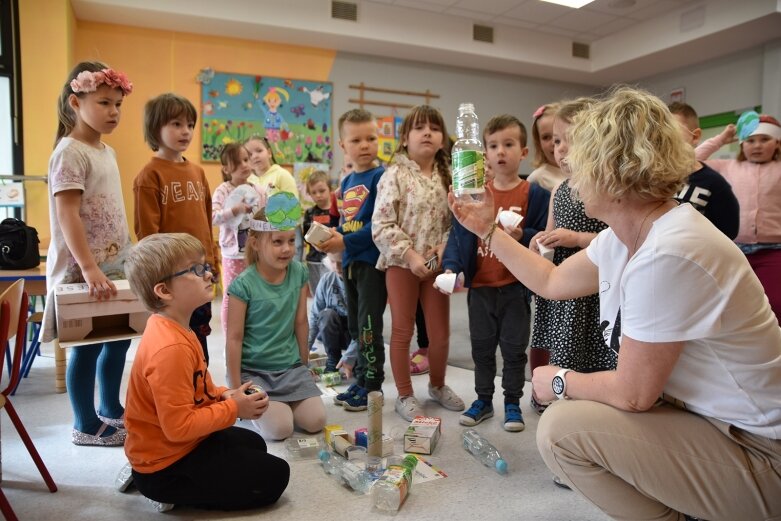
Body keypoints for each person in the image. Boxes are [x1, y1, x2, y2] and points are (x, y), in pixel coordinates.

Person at [449, 85, 781, 521]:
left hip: (759, 449)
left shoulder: (668, 251)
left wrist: (560, 380)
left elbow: (633, 393)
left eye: (579, 157)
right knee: (577, 415)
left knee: (562, 429)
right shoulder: (630, 235)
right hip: (710, 421)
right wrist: (486, 229)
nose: (567, 164)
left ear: (614, 171)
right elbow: (551, 280)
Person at [123, 233, 289, 512]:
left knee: (255, 442)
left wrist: (227, 396)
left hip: (184, 444)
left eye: (205, 266)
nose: (209, 274)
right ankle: (158, 489)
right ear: (164, 291)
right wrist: (234, 408)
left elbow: (200, 392)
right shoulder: (170, 349)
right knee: (275, 477)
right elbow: (178, 428)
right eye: (196, 269)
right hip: (165, 465)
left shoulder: (176, 327)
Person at [41, 61, 134, 446]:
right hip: (85, 273)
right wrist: (90, 267)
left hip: (114, 268)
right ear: (75, 102)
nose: (113, 112)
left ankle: (111, 409)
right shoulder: (70, 152)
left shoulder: (106, 151)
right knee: (87, 344)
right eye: (104, 103)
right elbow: (68, 214)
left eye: (117, 104)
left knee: (120, 338)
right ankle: (84, 423)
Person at [442, 114, 549, 432]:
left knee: (515, 350)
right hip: (482, 288)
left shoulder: (536, 194)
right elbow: (458, 236)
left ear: (524, 152)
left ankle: (513, 402)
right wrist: (452, 268)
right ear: (484, 154)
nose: (501, 151)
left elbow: (544, 236)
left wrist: (523, 237)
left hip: (516, 287)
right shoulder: (474, 194)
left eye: (509, 144)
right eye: (493, 146)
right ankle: (483, 400)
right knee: (482, 348)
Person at [372, 104, 465, 421]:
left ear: (443, 138)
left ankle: (437, 386)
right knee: (401, 330)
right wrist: (410, 256)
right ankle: (405, 394)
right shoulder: (394, 175)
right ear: (405, 137)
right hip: (401, 265)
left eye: (435, 128)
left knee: (439, 334)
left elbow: (459, 219)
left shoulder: (450, 177)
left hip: (438, 265)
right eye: (419, 128)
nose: (427, 132)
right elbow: (382, 224)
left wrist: (443, 248)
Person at [528, 99, 614, 418]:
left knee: (592, 344)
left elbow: (617, 244)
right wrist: (541, 241)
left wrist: (576, 239)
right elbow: (550, 232)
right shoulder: (559, 189)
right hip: (562, 280)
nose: (557, 147)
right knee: (561, 342)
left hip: (592, 286)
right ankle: (557, 393)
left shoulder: (604, 188)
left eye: (566, 140)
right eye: (555, 140)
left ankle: (589, 399)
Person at [225, 194, 326, 441]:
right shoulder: (243, 285)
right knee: (280, 429)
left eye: (291, 241)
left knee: (316, 421)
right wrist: (237, 389)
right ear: (256, 243)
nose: (287, 249)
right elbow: (234, 338)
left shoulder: (299, 273)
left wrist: (303, 366)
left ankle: (283, 402)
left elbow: (301, 322)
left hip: (290, 368)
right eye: (278, 242)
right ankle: (268, 408)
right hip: (256, 371)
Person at [134, 92, 218, 364]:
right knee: (176, 340)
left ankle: (200, 388)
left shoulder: (198, 172)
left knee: (201, 334)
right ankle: (183, 394)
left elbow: (206, 222)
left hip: (200, 271)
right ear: (155, 128)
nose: (186, 131)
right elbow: (148, 236)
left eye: (190, 125)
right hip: (173, 278)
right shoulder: (150, 175)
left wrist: (212, 262)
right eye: (176, 124)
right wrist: (159, 280)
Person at [317, 109, 388, 412]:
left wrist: (344, 239)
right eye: (356, 140)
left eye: (371, 138)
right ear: (343, 146)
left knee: (370, 325)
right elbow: (350, 222)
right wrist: (333, 234)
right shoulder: (345, 183)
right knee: (358, 325)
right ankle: (360, 378)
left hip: (372, 263)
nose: (365, 145)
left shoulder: (381, 176)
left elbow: (379, 225)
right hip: (350, 264)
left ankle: (373, 384)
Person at [695, 113, 781, 321]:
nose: (757, 146)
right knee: (732, 305)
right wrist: (722, 139)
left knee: (775, 304)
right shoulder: (727, 167)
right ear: (742, 144)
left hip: (773, 250)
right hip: (734, 249)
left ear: (777, 143)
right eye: (750, 140)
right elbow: (690, 160)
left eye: (764, 139)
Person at [211, 143, 267, 333]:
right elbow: (212, 217)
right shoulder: (223, 190)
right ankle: (231, 338)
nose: (244, 164)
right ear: (226, 168)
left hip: (256, 253)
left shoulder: (258, 190)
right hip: (233, 254)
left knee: (256, 294)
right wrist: (234, 210)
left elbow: (265, 216)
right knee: (232, 296)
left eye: (246, 159)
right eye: (237, 162)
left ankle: (252, 335)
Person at [667, 102, 739, 239]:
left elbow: (728, 233)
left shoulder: (714, 183)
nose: (664, 139)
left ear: (695, 136)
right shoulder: (652, 180)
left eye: (671, 131)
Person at [307, 253, 358, 374]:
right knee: (326, 314)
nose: (338, 267)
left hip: (356, 333)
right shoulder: (326, 279)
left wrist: (350, 357)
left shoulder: (360, 281)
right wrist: (305, 350)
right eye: (333, 262)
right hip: (334, 332)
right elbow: (315, 316)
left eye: (341, 262)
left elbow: (365, 325)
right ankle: (333, 359)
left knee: (360, 371)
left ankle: (356, 359)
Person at [302, 169, 333, 295]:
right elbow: (306, 236)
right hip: (314, 259)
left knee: (331, 292)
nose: (318, 195)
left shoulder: (335, 212)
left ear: (330, 189)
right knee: (317, 293)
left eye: (321, 191)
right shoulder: (309, 213)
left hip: (331, 259)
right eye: (313, 192)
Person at [526, 103, 566, 191]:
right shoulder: (536, 178)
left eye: (558, 135)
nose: (553, 142)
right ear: (538, 143)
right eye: (546, 137)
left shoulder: (581, 172)